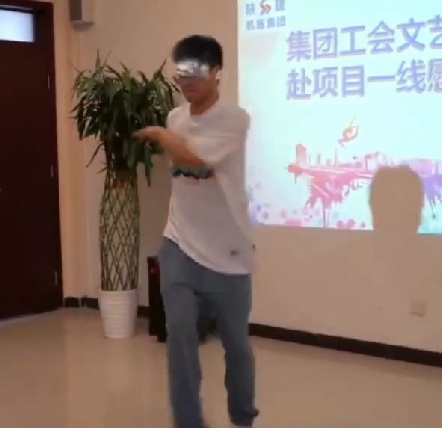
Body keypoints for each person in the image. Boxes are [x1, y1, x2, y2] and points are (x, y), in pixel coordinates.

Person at [133, 35, 259, 428]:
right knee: (181, 335)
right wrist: (168, 133)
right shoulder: (177, 118)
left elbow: (198, 162)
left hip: (229, 253)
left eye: (195, 72)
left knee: (236, 346)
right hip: (180, 244)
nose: (185, 81)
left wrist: (162, 135)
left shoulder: (234, 119)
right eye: (181, 73)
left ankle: (243, 416)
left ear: (217, 72)